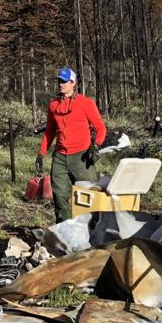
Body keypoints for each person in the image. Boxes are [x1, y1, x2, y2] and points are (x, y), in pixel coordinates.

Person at [36, 67, 106, 222]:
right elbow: (49, 132)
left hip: (81, 157)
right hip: (60, 157)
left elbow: (100, 128)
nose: (61, 84)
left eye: (65, 81)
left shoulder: (85, 103)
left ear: (73, 83)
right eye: (59, 81)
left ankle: (93, 231)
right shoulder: (53, 105)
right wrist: (41, 153)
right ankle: (65, 234)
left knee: (88, 198)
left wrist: (96, 146)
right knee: (60, 198)